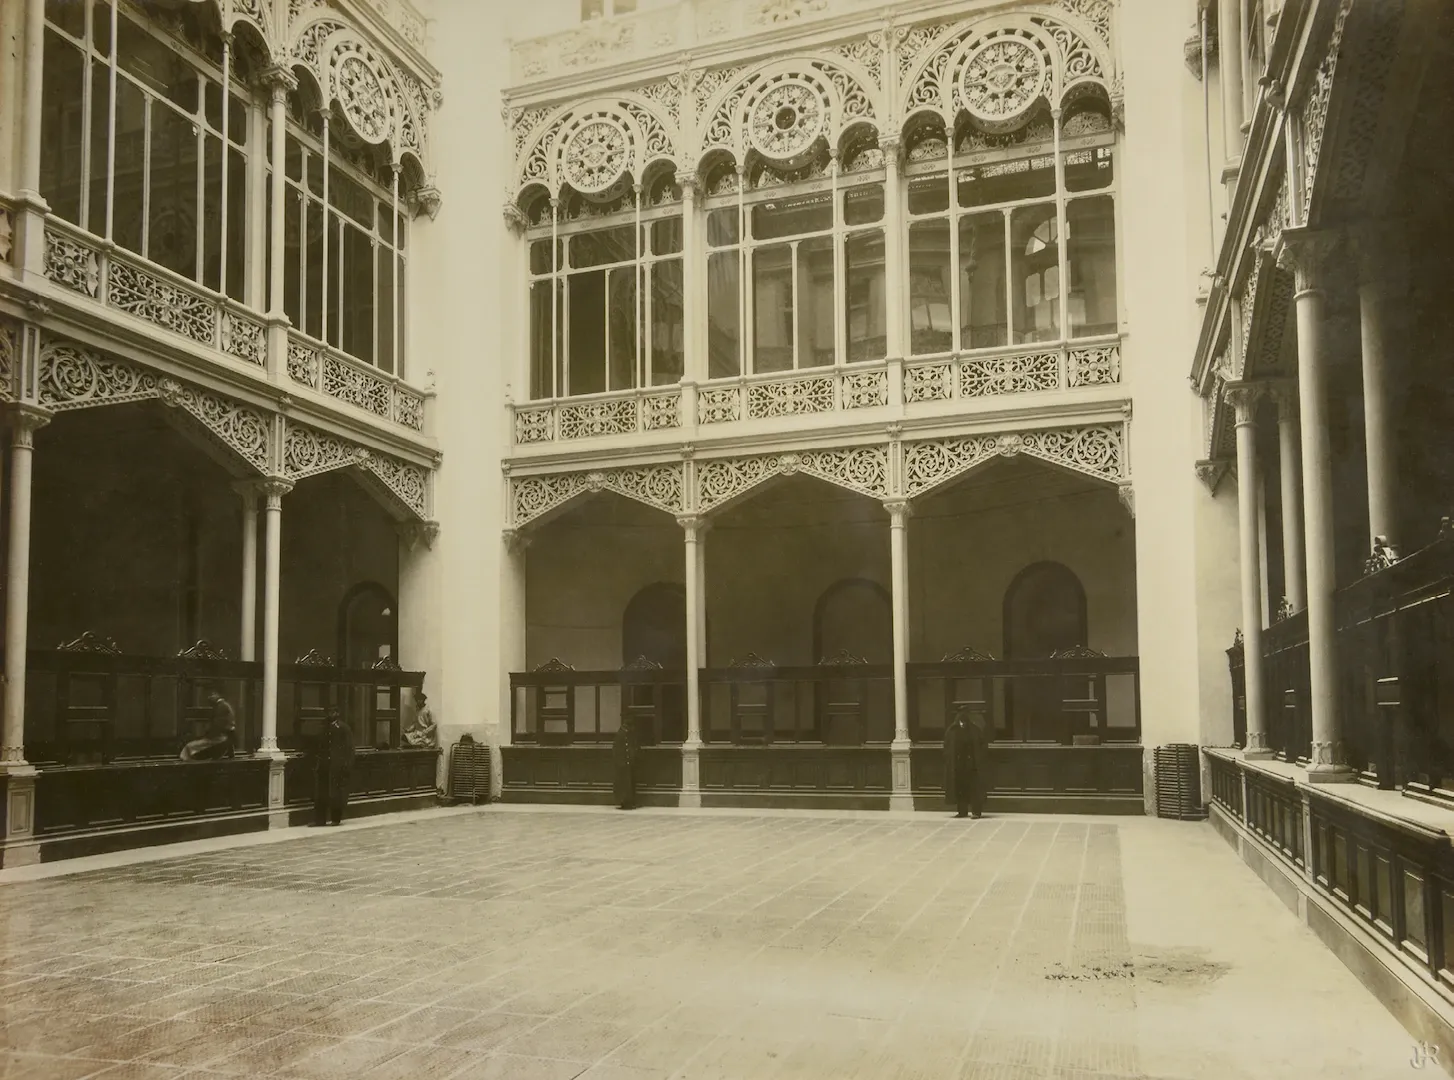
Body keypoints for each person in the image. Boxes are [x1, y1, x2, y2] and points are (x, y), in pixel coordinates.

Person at [944, 709, 991, 819]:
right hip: (958, 766)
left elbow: (982, 747)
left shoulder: (974, 730)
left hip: (972, 766)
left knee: (974, 789)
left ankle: (976, 811)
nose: (962, 724)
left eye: (964, 722)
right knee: (960, 789)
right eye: (961, 722)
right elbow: (947, 747)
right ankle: (962, 811)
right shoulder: (952, 731)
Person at [312, 707, 356, 826]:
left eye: (333, 712)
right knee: (322, 793)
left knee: (336, 794)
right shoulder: (324, 727)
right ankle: (320, 820)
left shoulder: (343, 728)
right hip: (324, 766)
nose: (330, 714)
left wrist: (347, 766)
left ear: (338, 713)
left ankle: (336, 819)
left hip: (338, 766)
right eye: (329, 712)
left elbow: (350, 748)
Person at [180, 689, 236, 761]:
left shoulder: (222, 706)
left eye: (212, 695)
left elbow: (219, 724)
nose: (209, 697)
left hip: (219, 737)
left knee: (189, 747)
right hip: (221, 737)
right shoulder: (223, 706)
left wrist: (208, 735)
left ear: (217, 694)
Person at [613, 714, 639, 810]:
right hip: (623, 765)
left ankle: (629, 802)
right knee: (624, 785)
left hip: (627, 764)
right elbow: (617, 750)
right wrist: (622, 762)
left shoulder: (627, 734)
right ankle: (624, 803)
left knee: (628, 785)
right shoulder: (621, 735)